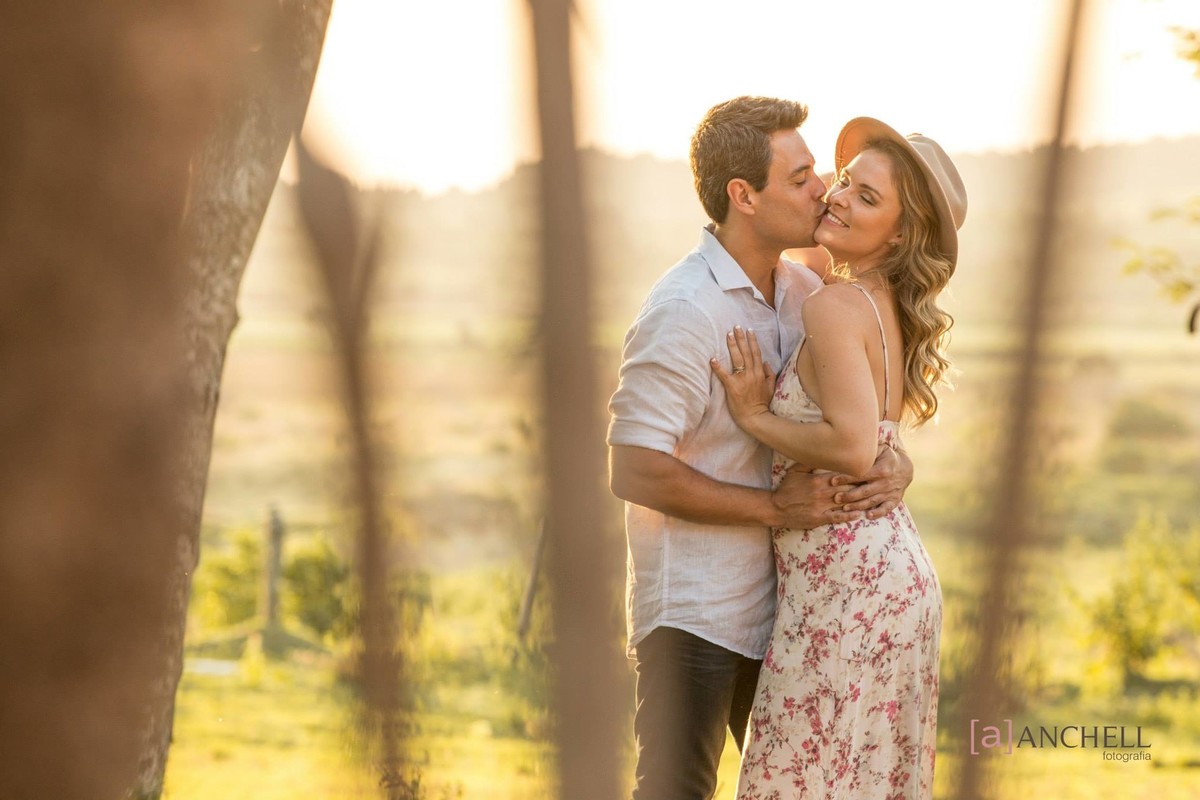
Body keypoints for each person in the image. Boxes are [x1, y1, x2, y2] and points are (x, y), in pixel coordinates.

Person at [607, 97, 915, 800]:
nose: (823, 188)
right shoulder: (685, 310)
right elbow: (633, 466)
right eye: (802, 175)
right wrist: (776, 508)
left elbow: (846, 428)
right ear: (743, 196)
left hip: (788, 609)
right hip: (696, 613)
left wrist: (895, 462)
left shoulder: (803, 288)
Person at [712, 117, 967, 799]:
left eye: (867, 198)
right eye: (847, 182)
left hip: (847, 585)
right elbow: (880, 438)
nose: (839, 198)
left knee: (796, 781)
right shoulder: (881, 303)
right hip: (892, 579)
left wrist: (754, 416)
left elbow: (855, 446)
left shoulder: (835, 307)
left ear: (903, 234)